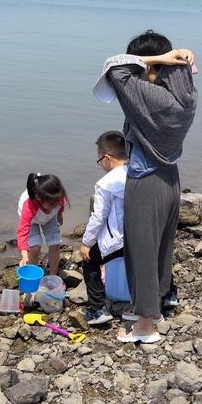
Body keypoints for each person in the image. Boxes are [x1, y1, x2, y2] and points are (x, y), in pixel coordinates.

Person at [93, 30, 197, 343]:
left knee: (141, 251)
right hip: (169, 178)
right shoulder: (184, 95)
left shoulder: (150, 96)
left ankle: (145, 325)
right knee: (161, 248)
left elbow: (114, 67)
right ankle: (154, 306)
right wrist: (176, 58)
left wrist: (156, 59)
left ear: (154, 66)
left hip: (146, 180)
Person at [79, 131, 129, 325]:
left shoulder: (105, 183)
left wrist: (86, 242)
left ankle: (98, 308)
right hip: (138, 236)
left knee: (89, 261)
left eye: (99, 160)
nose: (100, 164)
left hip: (117, 239)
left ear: (107, 158)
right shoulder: (137, 172)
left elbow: (98, 216)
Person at [17, 173, 68, 275]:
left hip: (50, 217)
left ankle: (53, 275)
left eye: (58, 202)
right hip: (32, 220)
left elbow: (61, 206)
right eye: (52, 204)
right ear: (39, 199)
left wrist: (59, 215)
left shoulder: (58, 197)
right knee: (35, 248)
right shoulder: (28, 206)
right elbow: (22, 232)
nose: (56, 204)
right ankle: (32, 275)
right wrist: (24, 255)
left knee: (55, 244)